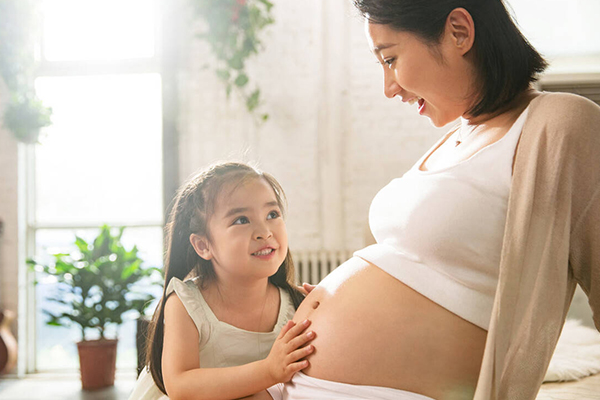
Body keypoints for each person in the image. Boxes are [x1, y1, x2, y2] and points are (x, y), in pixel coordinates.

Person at [264, 1, 600, 399]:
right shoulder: (455, 138)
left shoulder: (561, 125)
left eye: (390, 59)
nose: (389, 88)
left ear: (459, 31)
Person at [128, 162, 315, 400]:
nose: (264, 231)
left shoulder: (295, 303)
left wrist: (331, 306)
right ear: (204, 246)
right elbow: (180, 386)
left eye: (272, 214)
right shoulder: (186, 303)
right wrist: (268, 370)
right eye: (241, 220)